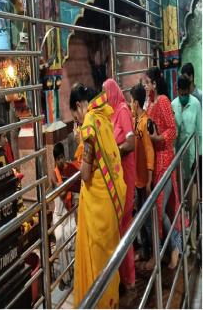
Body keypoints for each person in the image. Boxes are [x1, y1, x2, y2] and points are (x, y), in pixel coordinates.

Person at [70, 84, 126, 308]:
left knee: (98, 259)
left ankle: (100, 303)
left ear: (78, 106)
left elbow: (85, 174)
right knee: (109, 254)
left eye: (75, 118)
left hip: (97, 207)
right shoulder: (103, 116)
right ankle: (111, 300)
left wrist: (78, 141)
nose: (77, 122)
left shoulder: (89, 124)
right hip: (111, 201)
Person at [144, 66, 182, 269]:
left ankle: (174, 248)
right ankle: (167, 249)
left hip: (165, 158)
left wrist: (158, 138)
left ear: (155, 83)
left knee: (161, 208)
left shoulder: (164, 101)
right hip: (154, 159)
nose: (145, 85)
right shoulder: (150, 103)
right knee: (159, 209)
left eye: (147, 82)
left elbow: (172, 130)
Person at [103, 78, 136, 292]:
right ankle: (122, 278)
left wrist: (114, 153)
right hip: (117, 175)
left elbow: (131, 143)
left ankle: (130, 278)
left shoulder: (123, 110)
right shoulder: (112, 113)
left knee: (124, 223)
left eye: (107, 93)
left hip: (126, 174)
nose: (105, 98)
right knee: (119, 225)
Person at [172, 75, 202, 253]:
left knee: (192, 203)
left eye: (185, 93)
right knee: (179, 202)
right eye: (180, 92)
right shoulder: (173, 104)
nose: (182, 95)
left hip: (192, 160)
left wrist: (199, 157)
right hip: (177, 162)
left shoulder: (196, 104)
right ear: (177, 91)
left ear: (188, 91)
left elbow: (200, 132)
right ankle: (181, 241)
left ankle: (193, 242)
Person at [130, 83, 155, 261]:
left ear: (136, 103)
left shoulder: (145, 123)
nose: (130, 104)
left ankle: (148, 251)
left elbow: (149, 151)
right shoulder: (135, 121)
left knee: (145, 217)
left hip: (143, 178)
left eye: (131, 101)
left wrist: (149, 180)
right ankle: (142, 247)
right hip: (136, 178)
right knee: (139, 213)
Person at [50, 142, 76, 290]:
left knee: (73, 243)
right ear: (55, 159)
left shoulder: (68, 169)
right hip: (59, 215)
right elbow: (62, 192)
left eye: (62, 157)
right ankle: (66, 277)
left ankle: (72, 273)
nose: (61, 161)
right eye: (59, 158)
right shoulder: (53, 174)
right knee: (60, 242)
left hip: (69, 213)